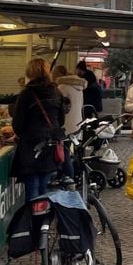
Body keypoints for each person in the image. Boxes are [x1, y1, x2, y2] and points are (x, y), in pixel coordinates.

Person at [10, 58, 65, 202]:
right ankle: (44, 220)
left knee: (32, 187)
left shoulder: (27, 94)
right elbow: (61, 120)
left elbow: (18, 124)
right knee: (44, 186)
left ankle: (33, 220)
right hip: (50, 145)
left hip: (31, 147)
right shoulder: (56, 92)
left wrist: (24, 134)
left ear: (30, 72)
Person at [52, 65, 86, 178]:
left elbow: (58, 107)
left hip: (65, 124)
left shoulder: (62, 88)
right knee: (66, 150)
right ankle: (65, 175)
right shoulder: (79, 87)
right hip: (76, 124)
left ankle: (69, 178)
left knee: (63, 153)